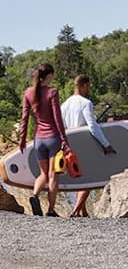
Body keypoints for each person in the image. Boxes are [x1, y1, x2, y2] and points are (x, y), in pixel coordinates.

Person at [61, 74, 116, 217]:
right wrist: (106, 144)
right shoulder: (85, 103)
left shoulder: (64, 105)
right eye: (88, 87)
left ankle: (83, 212)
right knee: (91, 177)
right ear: (84, 85)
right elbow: (92, 126)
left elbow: (62, 127)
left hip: (70, 145)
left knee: (80, 177)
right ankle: (75, 211)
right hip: (85, 145)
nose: (88, 90)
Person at [18, 63, 69, 217]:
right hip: (53, 138)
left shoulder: (28, 93)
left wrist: (22, 140)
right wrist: (64, 140)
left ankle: (34, 196)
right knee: (53, 175)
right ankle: (51, 210)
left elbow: (24, 119)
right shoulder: (52, 92)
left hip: (38, 140)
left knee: (43, 174)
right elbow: (57, 119)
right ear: (49, 75)